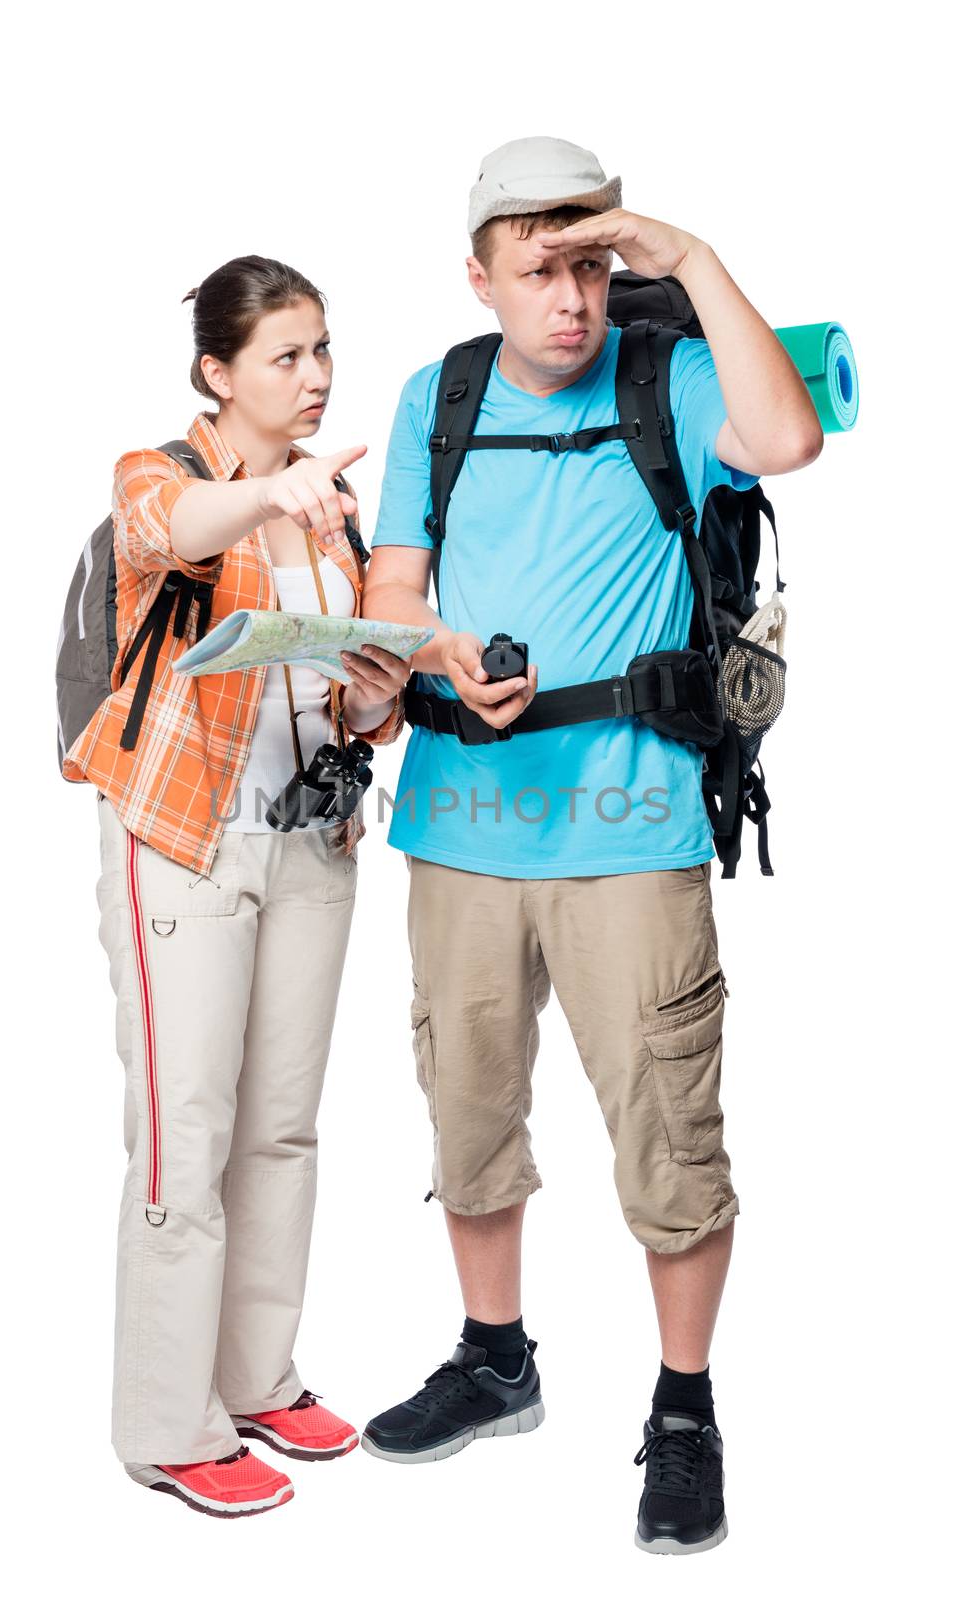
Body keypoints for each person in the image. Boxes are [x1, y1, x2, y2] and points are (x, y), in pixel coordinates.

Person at [357, 139, 822, 1553]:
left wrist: (687, 262)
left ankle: (684, 1408)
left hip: (630, 830)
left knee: (670, 1136)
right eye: (539, 270)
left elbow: (788, 441)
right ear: (482, 276)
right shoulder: (435, 395)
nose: (571, 298)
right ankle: (495, 1359)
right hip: (461, 824)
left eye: (591, 265)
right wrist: (425, 653)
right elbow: (393, 581)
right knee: (469, 1117)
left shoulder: (663, 377)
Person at [62, 254, 410, 1517]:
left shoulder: (335, 511)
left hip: (311, 839)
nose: (315, 379)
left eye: (324, 351)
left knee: (283, 1125)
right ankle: (168, 1422)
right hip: (185, 840)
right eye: (286, 356)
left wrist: (376, 697)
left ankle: (258, 1377)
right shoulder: (167, 476)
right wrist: (272, 495)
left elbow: (356, 695)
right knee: (185, 1135)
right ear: (218, 371)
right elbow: (170, 535)